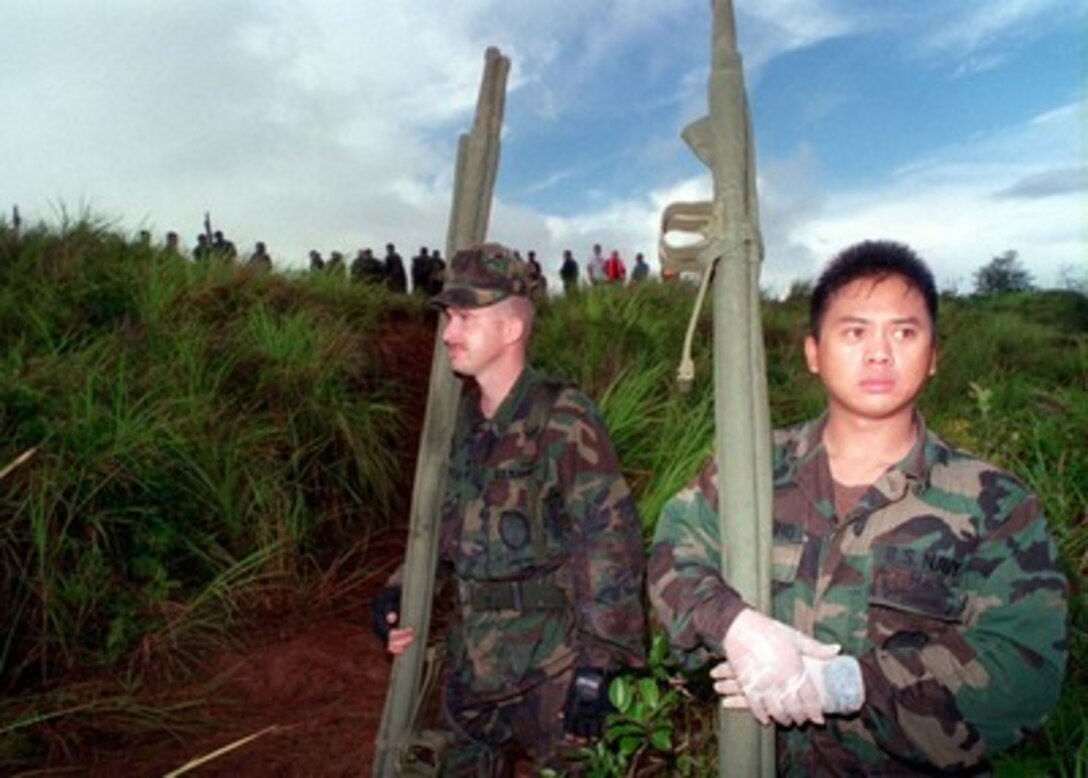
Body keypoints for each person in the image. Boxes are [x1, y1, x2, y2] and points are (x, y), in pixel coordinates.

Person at [648, 240, 1068, 775]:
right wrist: (735, 626)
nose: (879, 353)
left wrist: (844, 686)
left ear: (934, 355)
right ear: (814, 353)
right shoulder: (747, 469)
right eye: (854, 331)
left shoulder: (994, 503)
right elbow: (672, 554)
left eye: (904, 332)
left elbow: (1024, 673)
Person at [372, 243, 647, 775]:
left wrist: (601, 663)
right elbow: (449, 530)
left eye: (465, 318)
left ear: (511, 330)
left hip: (553, 670)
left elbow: (610, 541)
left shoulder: (563, 418)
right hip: (472, 663)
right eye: (449, 317)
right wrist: (402, 588)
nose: (449, 333)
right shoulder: (462, 423)